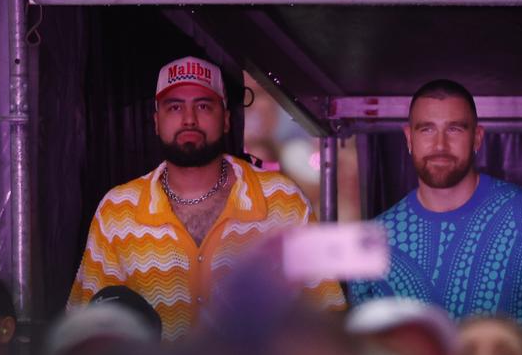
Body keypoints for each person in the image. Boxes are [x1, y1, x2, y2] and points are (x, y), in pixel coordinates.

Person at [68, 56, 344, 340]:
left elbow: (326, 312)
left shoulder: (281, 200)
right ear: (156, 121)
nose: (189, 119)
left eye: (203, 106)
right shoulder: (118, 210)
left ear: (225, 120)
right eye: (175, 107)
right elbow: (87, 332)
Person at [348, 79, 522, 344]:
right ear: (408, 138)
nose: (439, 145)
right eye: (426, 130)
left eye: (455, 129)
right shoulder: (373, 242)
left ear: (477, 138)